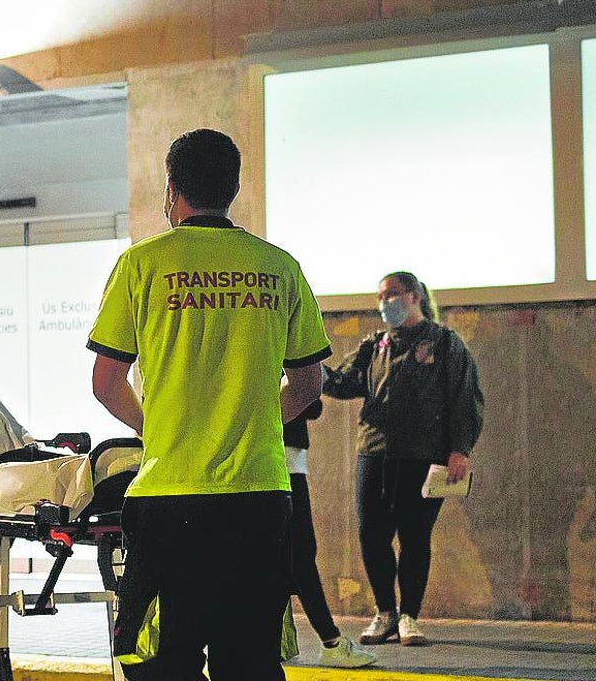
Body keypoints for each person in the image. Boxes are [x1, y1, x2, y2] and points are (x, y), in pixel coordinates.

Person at [88, 129, 332, 680]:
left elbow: (107, 382)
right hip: (260, 496)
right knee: (249, 663)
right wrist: (254, 423)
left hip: (170, 499)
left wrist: (163, 427)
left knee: (160, 663)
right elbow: (308, 385)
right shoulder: (280, 267)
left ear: (172, 189)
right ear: (236, 187)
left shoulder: (141, 265)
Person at [323, 271, 484, 647]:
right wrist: (308, 370)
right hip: (374, 454)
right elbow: (344, 382)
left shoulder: (444, 343)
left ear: (413, 296)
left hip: (423, 457)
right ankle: (385, 614)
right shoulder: (375, 344)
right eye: (381, 297)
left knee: (414, 537)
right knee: (372, 536)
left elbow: (465, 397)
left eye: (392, 295)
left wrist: (460, 449)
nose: (385, 304)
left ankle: (410, 615)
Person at [283, 401, 377, 668]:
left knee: (286, 556)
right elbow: (310, 402)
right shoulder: (276, 359)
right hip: (281, 461)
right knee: (300, 554)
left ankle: (322, 640)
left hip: (279, 459)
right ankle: (331, 641)